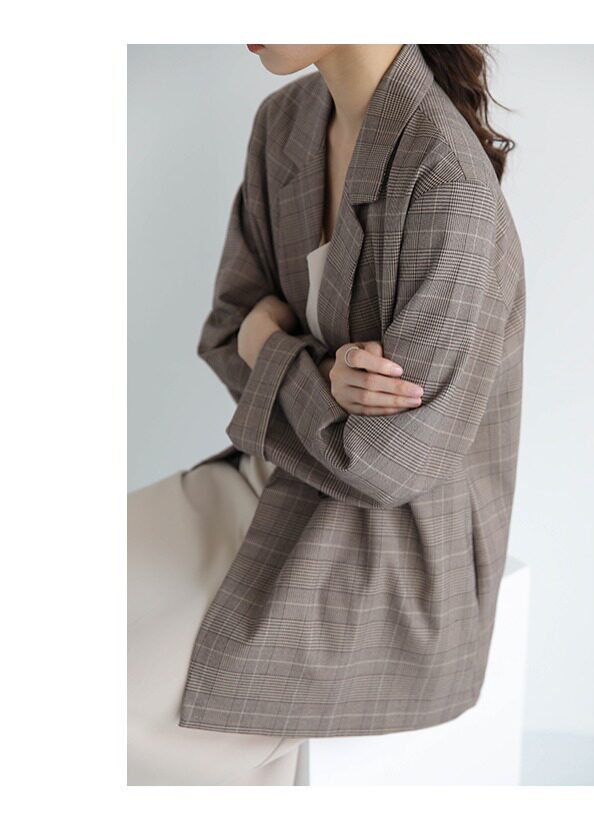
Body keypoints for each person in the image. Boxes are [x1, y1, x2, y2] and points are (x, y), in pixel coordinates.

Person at [128, 43, 524, 786]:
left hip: (384, 548)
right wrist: (294, 363)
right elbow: (224, 332)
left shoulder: (447, 182)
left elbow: (386, 464)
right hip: (265, 478)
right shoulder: (285, 121)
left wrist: (270, 345)